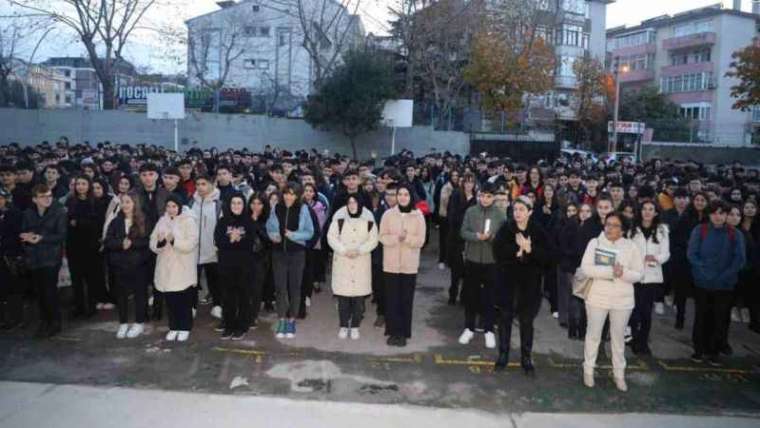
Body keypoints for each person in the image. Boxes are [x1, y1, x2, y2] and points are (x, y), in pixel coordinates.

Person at [581, 212, 644, 392]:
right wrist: (610, 272)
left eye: (615, 225)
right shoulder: (595, 242)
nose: (609, 228)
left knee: (618, 338)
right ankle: (588, 370)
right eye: (607, 224)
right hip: (597, 297)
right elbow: (586, 269)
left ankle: (619, 374)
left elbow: (639, 274)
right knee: (593, 335)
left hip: (622, 300)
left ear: (623, 229)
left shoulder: (631, 246)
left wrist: (622, 273)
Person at [492, 197, 549, 376]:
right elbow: (497, 252)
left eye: (522, 209)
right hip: (508, 282)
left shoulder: (538, 231)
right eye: (515, 209)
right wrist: (515, 251)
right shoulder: (506, 229)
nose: (517, 213)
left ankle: (526, 357)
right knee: (505, 319)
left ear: (530, 212)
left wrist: (530, 250)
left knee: (526, 322)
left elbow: (548, 257)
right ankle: (503, 354)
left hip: (530, 284)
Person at [687, 200, 746, 366]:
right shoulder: (700, 230)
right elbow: (692, 254)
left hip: (725, 285)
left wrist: (723, 276)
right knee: (701, 317)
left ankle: (714, 352)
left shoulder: (736, 234)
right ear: (709, 214)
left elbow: (739, 260)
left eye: (721, 213)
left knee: (719, 319)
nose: (718, 216)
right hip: (702, 283)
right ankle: (698, 350)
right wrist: (705, 273)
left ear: (726, 215)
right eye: (714, 213)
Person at [458, 182, 507, 349]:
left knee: (489, 297)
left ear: (493, 197)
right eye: (482, 196)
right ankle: (468, 327)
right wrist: (476, 236)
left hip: (491, 261)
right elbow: (463, 232)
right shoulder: (471, 211)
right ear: (478, 195)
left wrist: (492, 238)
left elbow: (504, 238)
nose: (485, 199)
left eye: (489, 196)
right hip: (472, 259)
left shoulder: (500, 215)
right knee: (471, 295)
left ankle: (488, 330)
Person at [379, 184, 426, 347]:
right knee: (392, 299)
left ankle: (404, 332)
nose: (403, 197)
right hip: (391, 264)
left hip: (409, 265)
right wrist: (395, 238)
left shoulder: (418, 215)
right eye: (400, 194)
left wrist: (406, 239)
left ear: (411, 196)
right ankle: (393, 331)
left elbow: (421, 241)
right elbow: (382, 236)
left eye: (406, 194)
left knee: (406, 299)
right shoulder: (388, 215)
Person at [266, 182, 314, 339]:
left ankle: (292, 320)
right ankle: (281, 319)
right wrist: (273, 235)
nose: (288, 196)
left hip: (297, 254)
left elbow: (310, 233)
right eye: (286, 193)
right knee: (280, 288)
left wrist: (294, 235)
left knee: (295, 288)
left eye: (292, 194)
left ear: (298, 195)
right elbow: (269, 226)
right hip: (279, 253)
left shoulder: (304, 209)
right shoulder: (276, 208)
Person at [327, 194, 379, 340]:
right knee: (343, 298)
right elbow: (331, 237)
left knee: (358, 300)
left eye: (355, 202)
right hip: (343, 261)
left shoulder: (368, 220)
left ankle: (355, 326)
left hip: (361, 261)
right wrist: (343, 250)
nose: (352, 205)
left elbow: (374, 239)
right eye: (349, 202)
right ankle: (343, 325)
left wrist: (360, 250)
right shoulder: (339, 219)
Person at [150, 195, 198, 342]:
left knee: (183, 299)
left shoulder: (188, 220)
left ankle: (185, 327)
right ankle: (174, 326)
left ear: (180, 207)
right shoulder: (162, 221)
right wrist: (160, 242)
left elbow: (191, 243)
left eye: (174, 206)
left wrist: (174, 241)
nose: (171, 210)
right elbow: (152, 242)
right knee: (170, 300)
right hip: (166, 267)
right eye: (168, 206)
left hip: (182, 267)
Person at [21, 184, 67, 338]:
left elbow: (61, 236)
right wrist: (27, 237)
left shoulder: (59, 212)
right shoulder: (28, 213)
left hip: (51, 257)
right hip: (33, 257)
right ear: (35, 199)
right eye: (43, 196)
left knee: (49, 291)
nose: (47, 199)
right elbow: (24, 231)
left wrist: (41, 238)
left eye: (49, 195)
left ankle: (54, 322)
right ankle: (44, 321)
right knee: (39, 292)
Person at [105, 192, 151, 339]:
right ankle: (123, 323)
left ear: (135, 204)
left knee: (140, 295)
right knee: (121, 295)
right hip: (120, 265)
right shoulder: (115, 221)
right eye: (123, 202)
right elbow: (108, 241)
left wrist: (132, 243)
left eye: (128, 202)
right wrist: (120, 244)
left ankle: (139, 322)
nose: (125, 205)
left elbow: (148, 242)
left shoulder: (143, 221)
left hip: (139, 265)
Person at [628, 200, 670, 355]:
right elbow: (627, 250)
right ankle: (634, 338)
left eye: (650, 209)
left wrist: (655, 258)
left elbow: (666, 254)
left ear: (656, 212)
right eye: (644, 209)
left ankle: (643, 342)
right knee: (634, 311)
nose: (647, 212)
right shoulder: (633, 229)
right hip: (635, 276)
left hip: (652, 277)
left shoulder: (662, 230)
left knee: (646, 312)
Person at [215, 193, 256, 340]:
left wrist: (236, 240)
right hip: (226, 265)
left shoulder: (249, 221)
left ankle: (242, 326)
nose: (236, 206)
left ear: (244, 205)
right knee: (227, 296)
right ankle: (228, 325)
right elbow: (218, 241)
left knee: (243, 296)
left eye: (239, 203)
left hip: (244, 266)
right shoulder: (222, 221)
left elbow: (250, 243)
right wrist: (232, 240)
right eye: (233, 203)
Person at [65, 175, 100, 319]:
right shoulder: (70, 201)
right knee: (76, 279)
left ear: (89, 185)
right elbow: (67, 222)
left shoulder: (94, 202)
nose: (80, 186)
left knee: (91, 278)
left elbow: (96, 224)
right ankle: (79, 307)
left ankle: (91, 307)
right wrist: (77, 223)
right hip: (73, 245)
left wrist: (78, 222)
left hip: (90, 246)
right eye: (78, 183)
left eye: (83, 183)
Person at [188, 174, 223, 320]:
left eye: (204, 184)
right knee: (192, 281)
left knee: (215, 280)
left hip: (212, 251)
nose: (200, 187)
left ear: (212, 185)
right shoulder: (191, 203)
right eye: (198, 184)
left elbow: (221, 227)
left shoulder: (218, 204)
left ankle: (217, 305)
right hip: (194, 251)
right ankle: (192, 306)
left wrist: (218, 245)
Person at [446, 173, 477, 305]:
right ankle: (452, 295)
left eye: (472, 182)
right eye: (467, 182)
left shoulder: (476, 198)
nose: (469, 184)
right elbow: (452, 215)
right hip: (456, 237)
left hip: (470, 239)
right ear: (463, 182)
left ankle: (464, 297)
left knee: (468, 271)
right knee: (455, 270)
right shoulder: (456, 194)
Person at [0, 189, 25, 329]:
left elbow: (18, 235)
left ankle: (16, 318)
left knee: (14, 289)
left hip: (10, 257)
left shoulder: (14, 214)